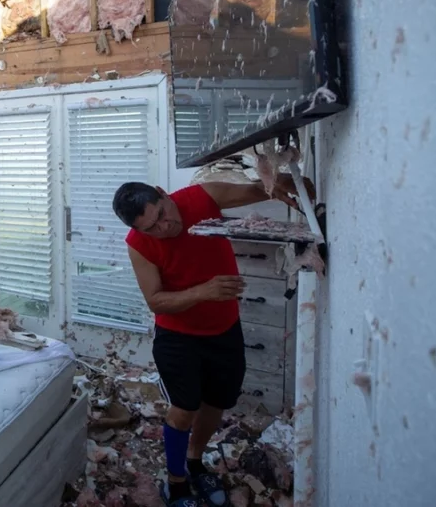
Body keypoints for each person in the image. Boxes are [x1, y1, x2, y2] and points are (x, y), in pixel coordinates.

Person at [112, 176, 312, 507]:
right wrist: (204, 291)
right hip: (178, 336)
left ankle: (194, 461)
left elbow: (258, 189)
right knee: (184, 408)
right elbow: (156, 301)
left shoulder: (202, 197)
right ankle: (175, 484)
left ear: (164, 194)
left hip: (224, 329)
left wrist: (290, 184)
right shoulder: (138, 244)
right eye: (152, 227)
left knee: (217, 400)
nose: (165, 227)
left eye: (162, 214)